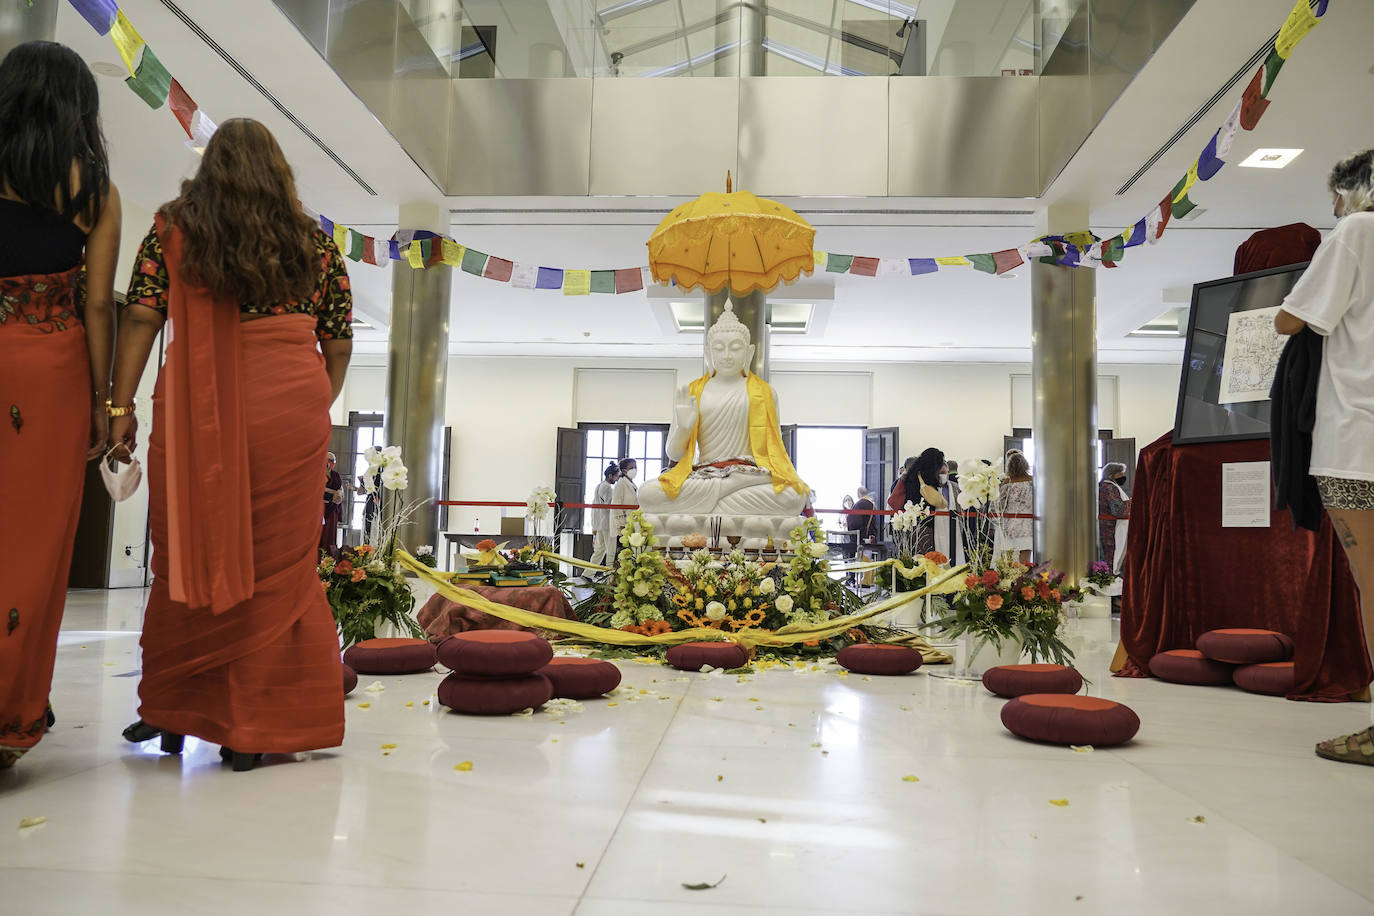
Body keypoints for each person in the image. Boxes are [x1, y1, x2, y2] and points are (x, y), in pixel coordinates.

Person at [109, 119, 352, 772]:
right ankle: (251, 731)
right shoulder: (314, 242)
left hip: (198, 408)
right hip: (291, 405)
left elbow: (141, 313)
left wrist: (118, 404)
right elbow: (337, 339)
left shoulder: (173, 228)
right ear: (279, 173)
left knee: (189, 550)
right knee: (278, 570)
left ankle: (170, 713)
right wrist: (308, 406)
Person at [0, 42, 120, 770]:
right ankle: (9, 721)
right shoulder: (94, 189)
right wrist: (107, 404)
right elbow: (98, 304)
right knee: (34, 549)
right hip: (49, 371)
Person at [1273, 148, 1374, 766]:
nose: (1333, 210)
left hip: (1357, 437)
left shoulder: (1358, 231)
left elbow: (1292, 319)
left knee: (1371, 582)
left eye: (1336, 198)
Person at [896, 448, 947, 555]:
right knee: (927, 559)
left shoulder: (912, 475)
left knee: (913, 557)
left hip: (910, 524)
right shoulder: (928, 478)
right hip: (926, 525)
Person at [997, 451, 1034, 565]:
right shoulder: (1032, 481)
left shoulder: (1007, 482)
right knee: (1025, 559)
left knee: (1009, 558)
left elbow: (1000, 505)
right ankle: (1024, 581)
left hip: (1011, 524)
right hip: (1028, 523)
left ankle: (1009, 580)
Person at [1098, 462, 1131, 573]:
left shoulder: (1107, 486)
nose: (1123, 476)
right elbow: (1119, 510)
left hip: (1110, 526)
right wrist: (1132, 501)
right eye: (1121, 473)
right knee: (1112, 556)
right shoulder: (1109, 488)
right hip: (1111, 528)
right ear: (1113, 474)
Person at [590, 462, 619, 567]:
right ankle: (609, 575)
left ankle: (588, 574)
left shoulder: (599, 485)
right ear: (610, 476)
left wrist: (594, 525)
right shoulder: (608, 488)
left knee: (599, 551)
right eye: (616, 476)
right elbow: (610, 505)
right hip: (608, 523)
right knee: (610, 550)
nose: (616, 479)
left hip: (600, 523)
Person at [935, 461, 964, 564]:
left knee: (956, 550)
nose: (942, 475)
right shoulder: (932, 488)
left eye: (944, 472)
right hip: (937, 523)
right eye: (940, 473)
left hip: (954, 521)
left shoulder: (955, 487)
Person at [321, 452, 344, 558]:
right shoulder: (319, 473)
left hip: (333, 508)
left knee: (331, 535)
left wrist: (339, 494)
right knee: (321, 535)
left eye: (333, 461)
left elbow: (340, 490)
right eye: (328, 460)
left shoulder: (336, 475)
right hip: (321, 509)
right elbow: (318, 487)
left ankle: (329, 560)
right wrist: (334, 492)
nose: (330, 463)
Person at [610, 457, 639, 540]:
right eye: (631, 468)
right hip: (622, 526)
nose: (634, 470)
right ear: (623, 471)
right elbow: (616, 506)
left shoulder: (632, 485)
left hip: (632, 523)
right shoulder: (620, 484)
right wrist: (621, 525)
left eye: (635, 467)